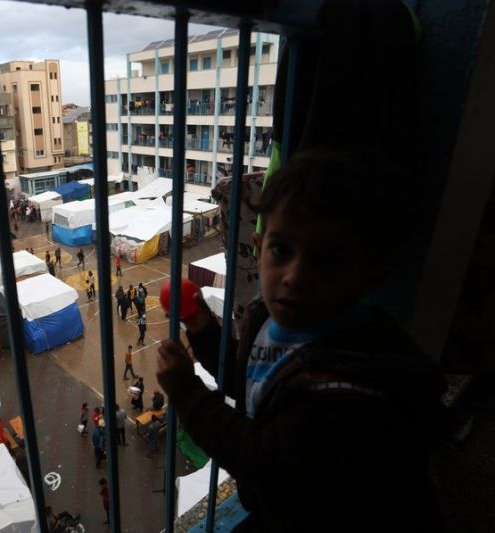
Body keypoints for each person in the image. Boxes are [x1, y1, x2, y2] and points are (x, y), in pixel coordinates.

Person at [155, 149, 446, 532]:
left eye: (327, 260)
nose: (295, 275)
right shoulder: (267, 318)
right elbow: (245, 383)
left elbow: (260, 457)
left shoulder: (349, 381)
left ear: (368, 275)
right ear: (259, 249)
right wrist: (203, 329)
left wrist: (187, 393)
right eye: (282, 250)